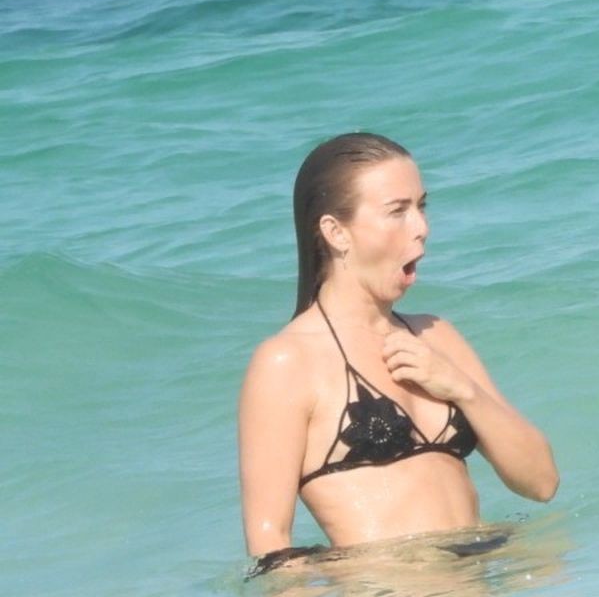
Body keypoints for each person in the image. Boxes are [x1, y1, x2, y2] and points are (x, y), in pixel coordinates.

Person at [238, 133, 559, 569]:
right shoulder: (288, 361)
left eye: (422, 207)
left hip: (488, 588)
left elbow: (541, 483)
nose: (421, 227)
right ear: (336, 232)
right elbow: (270, 543)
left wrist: (461, 389)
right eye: (398, 211)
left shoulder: (437, 336)